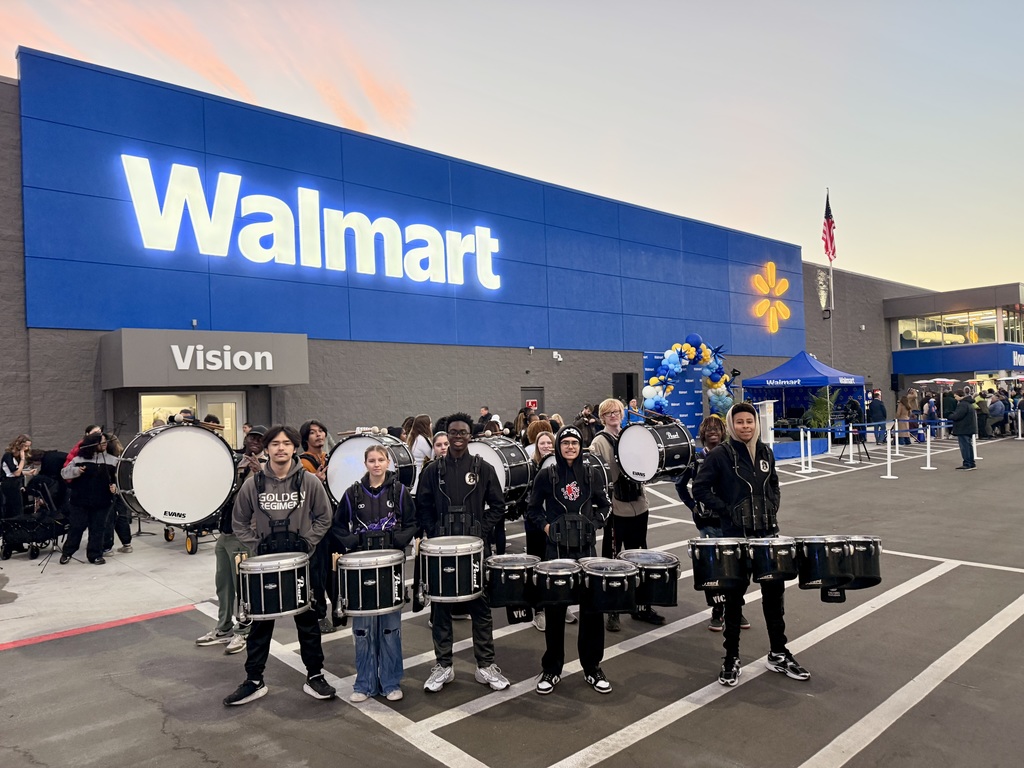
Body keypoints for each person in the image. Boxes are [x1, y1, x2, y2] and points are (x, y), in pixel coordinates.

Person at [692, 402, 809, 687]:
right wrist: (727, 511)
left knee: (774, 597)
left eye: (749, 421)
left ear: (756, 424)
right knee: (733, 600)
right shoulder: (720, 454)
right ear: (732, 425)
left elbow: (774, 484)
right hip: (735, 537)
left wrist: (773, 504)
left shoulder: (765, 451)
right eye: (740, 422)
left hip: (767, 535)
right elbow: (700, 488)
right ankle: (731, 657)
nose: (745, 426)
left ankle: (778, 653)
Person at [223, 425, 336, 706]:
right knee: (260, 624)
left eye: (286, 443)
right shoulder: (254, 484)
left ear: (294, 447)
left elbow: (325, 517)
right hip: (266, 565)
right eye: (275, 444)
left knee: (308, 623)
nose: (281, 448)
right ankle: (254, 680)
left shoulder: (310, 482)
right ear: (267, 448)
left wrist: (307, 543)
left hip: (302, 563)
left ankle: (315, 675)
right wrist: (256, 546)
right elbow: (239, 521)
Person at [415, 412, 510, 693]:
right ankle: (443, 665)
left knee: (480, 608)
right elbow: (422, 506)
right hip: (441, 551)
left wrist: (481, 530)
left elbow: (498, 506)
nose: (458, 437)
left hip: (475, 549)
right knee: (441, 608)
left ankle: (485, 665)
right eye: (453, 432)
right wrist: (435, 531)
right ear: (445, 436)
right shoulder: (432, 471)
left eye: (463, 432)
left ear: (470, 436)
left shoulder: (483, 468)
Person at [526, 425, 612, 695]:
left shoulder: (591, 473)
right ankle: (552, 669)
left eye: (575, 442)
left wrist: (594, 524)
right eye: (565, 443)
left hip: (586, 550)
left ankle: (592, 667)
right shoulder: (547, 474)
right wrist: (546, 527)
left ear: (580, 445)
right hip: (557, 552)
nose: (570, 447)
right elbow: (532, 509)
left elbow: (605, 505)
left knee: (592, 609)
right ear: (558, 446)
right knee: (555, 609)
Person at [333, 445, 417, 702]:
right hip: (361, 568)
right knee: (363, 629)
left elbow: (412, 523)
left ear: (388, 462)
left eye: (381, 459)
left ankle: (390, 682)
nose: (377, 464)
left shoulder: (399, 491)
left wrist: (396, 540)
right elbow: (338, 526)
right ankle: (364, 684)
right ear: (365, 463)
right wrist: (354, 543)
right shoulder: (353, 493)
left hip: (390, 567)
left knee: (390, 628)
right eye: (372, 460)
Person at [589, 398, 664, 630]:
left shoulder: (632, 435)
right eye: (608, 413)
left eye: (617, 411)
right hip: (615, 509)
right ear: (602, 418)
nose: (613, 415)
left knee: (640, 557)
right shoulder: (599, 442)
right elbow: (597, 477)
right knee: (612, 561)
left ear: (622, 414)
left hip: (639, 505)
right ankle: (612, 609)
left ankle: (641, 606)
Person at [673, 415, 748, 632]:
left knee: (735, 566)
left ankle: (736, 608)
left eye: (716, 429)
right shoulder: (695, 460)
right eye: (708, 429)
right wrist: (692, 506)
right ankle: (717, 610)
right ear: (702, 434)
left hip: (731, 522)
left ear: (723, 432)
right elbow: (680, 485)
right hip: (707, 523)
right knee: (713, 569)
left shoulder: (731, 455)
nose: (712, 432)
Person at [197, 425, 266, 654]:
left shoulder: (265, 467)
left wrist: (260, 473)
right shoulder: (236, 462)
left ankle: (244, 630)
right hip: (225, 533)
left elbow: (267, 496)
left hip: (244, 534)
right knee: (223, 585)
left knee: (243, 587)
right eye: (251, 436)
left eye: (259, 438)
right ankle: (223, 626)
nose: (254, 440)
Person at [298, 419, 335, 634]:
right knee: (318, 572)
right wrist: (316, 481)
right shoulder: (302, 463)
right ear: (305, 438)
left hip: (334, 522)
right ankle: (320, 615)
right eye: (313, 432)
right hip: (315, 524)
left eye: (321, 431)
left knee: (335, 567)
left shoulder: (330, 458)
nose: (319, 435)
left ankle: (338, 606)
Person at [59, 433, 118, 565]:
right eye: (101, 442)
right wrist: (76, 471)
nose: (104, 444)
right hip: (79, 501)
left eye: (105, 442)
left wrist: (115, 487)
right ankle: (67, 552)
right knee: (77, 527)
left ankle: (95, 555)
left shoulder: (113, 460)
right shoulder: (78, 460)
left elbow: (118, 479)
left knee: (98, 528)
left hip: (103, 501)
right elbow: (64, 474)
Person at [102, 434, 132, 554]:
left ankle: (107, 547)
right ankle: (127, 544)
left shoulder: (108, 460)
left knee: (109, 519)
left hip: (110, 490)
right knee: (122, 517)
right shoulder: (123, 457)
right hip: (122, 490)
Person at [2, 434, 37, 521]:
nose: (26, 449)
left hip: (16, 483)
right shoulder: (8, 456)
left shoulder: (15, 457)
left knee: (20, 506)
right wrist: (22, 459)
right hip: (9, 484)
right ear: (19, 445)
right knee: (15, 508)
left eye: (28, 446)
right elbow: (16, 472)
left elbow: (17, 471)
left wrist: (27, 472)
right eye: (25, 446)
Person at [948, 390, 978, 470]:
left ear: (959, 395)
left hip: (963, 428)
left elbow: (957, 416)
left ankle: (967, 463)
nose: (955, 398)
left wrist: (950, 415)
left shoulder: (962, 404)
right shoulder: (969, 403)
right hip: (969, 427)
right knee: (968, 446)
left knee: (965, 447)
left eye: (955, 396)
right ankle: (971, 463)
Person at [405, 414, 433, 489]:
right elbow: (432, 456)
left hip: (413, 473)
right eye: (430, 423)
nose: (431, 425)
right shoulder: (423, 439)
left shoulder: (414, 438)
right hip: (419, 474)